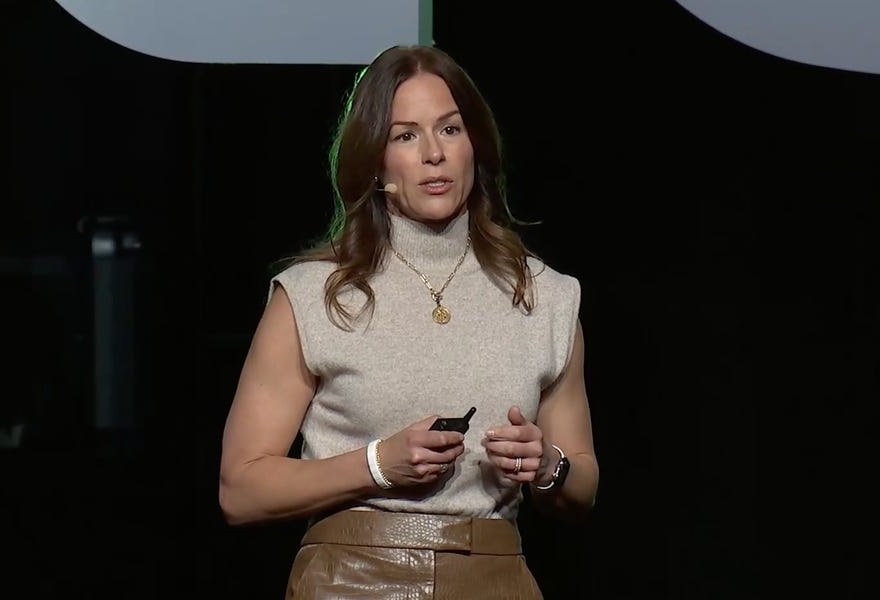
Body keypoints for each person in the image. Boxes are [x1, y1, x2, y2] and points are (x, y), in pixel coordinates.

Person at [218, 44, 598, 599]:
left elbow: (582, 486)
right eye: (405, 136)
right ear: (375, 161)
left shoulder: (545, 296)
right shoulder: (314, 295)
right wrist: (376, 465)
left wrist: (546, 466)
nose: (433, 154)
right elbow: (241, 489)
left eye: (449, 130)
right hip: (351, 580)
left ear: (475, 146)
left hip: (495, 578)